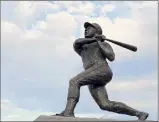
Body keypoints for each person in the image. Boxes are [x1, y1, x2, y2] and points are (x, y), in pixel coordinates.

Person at [56, 22, 149, 120]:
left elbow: (111, 57)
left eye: (89, 28)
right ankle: (139, 113)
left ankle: (68, 111)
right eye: (85, 28)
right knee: (105, 104)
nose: (86, 30)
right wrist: (94, 39)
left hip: (102, 70)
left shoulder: (104, 44)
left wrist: (100, 42)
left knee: (74, 81)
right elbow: (76, 42)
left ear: (97, 31)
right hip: (92, 74)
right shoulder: (83, 47)